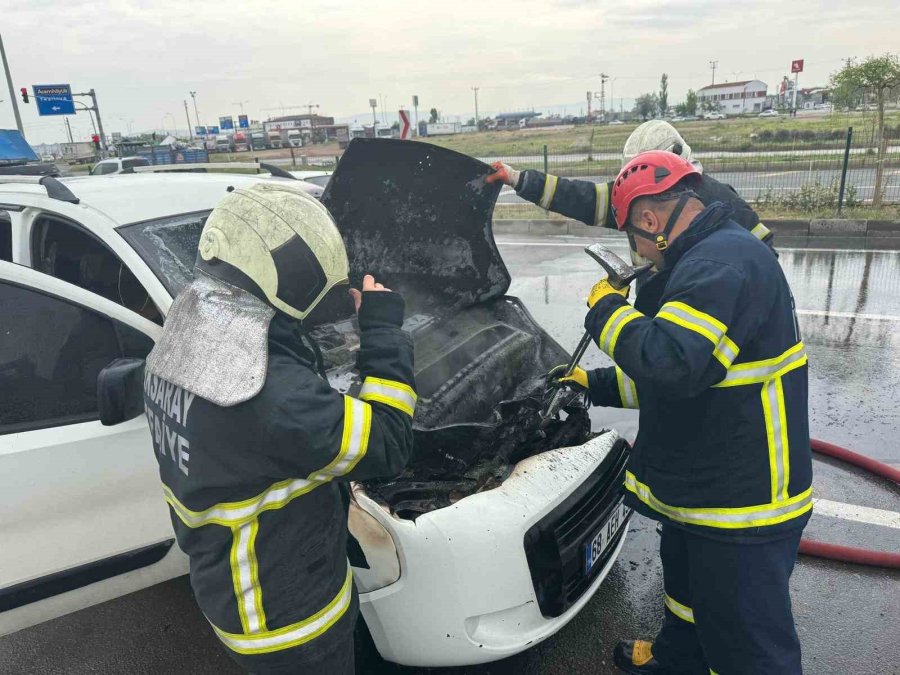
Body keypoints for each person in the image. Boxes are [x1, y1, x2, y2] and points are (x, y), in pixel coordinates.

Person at [552, 151, 811, 674]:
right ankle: (678, 661)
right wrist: (592, 383)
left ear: (651, 221)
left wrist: (606, 311)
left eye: (634, 240)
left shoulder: (718, 266)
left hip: (740, 503)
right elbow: (685, 372)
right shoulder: (708, 255)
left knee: (747, 644)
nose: (640, 255)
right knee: (689, 601)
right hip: (705, 489)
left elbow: (671, 365)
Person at [141, 182, 416, 674]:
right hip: (292, 621)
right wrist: (384, 331)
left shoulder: (185, 337)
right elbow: (389, 442)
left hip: (232, 591)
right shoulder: (274, 398)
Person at [486, 120, 774, 253]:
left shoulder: (723, 203)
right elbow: (579, 198)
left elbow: (764, 259)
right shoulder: (636, 196)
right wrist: (518, 179)